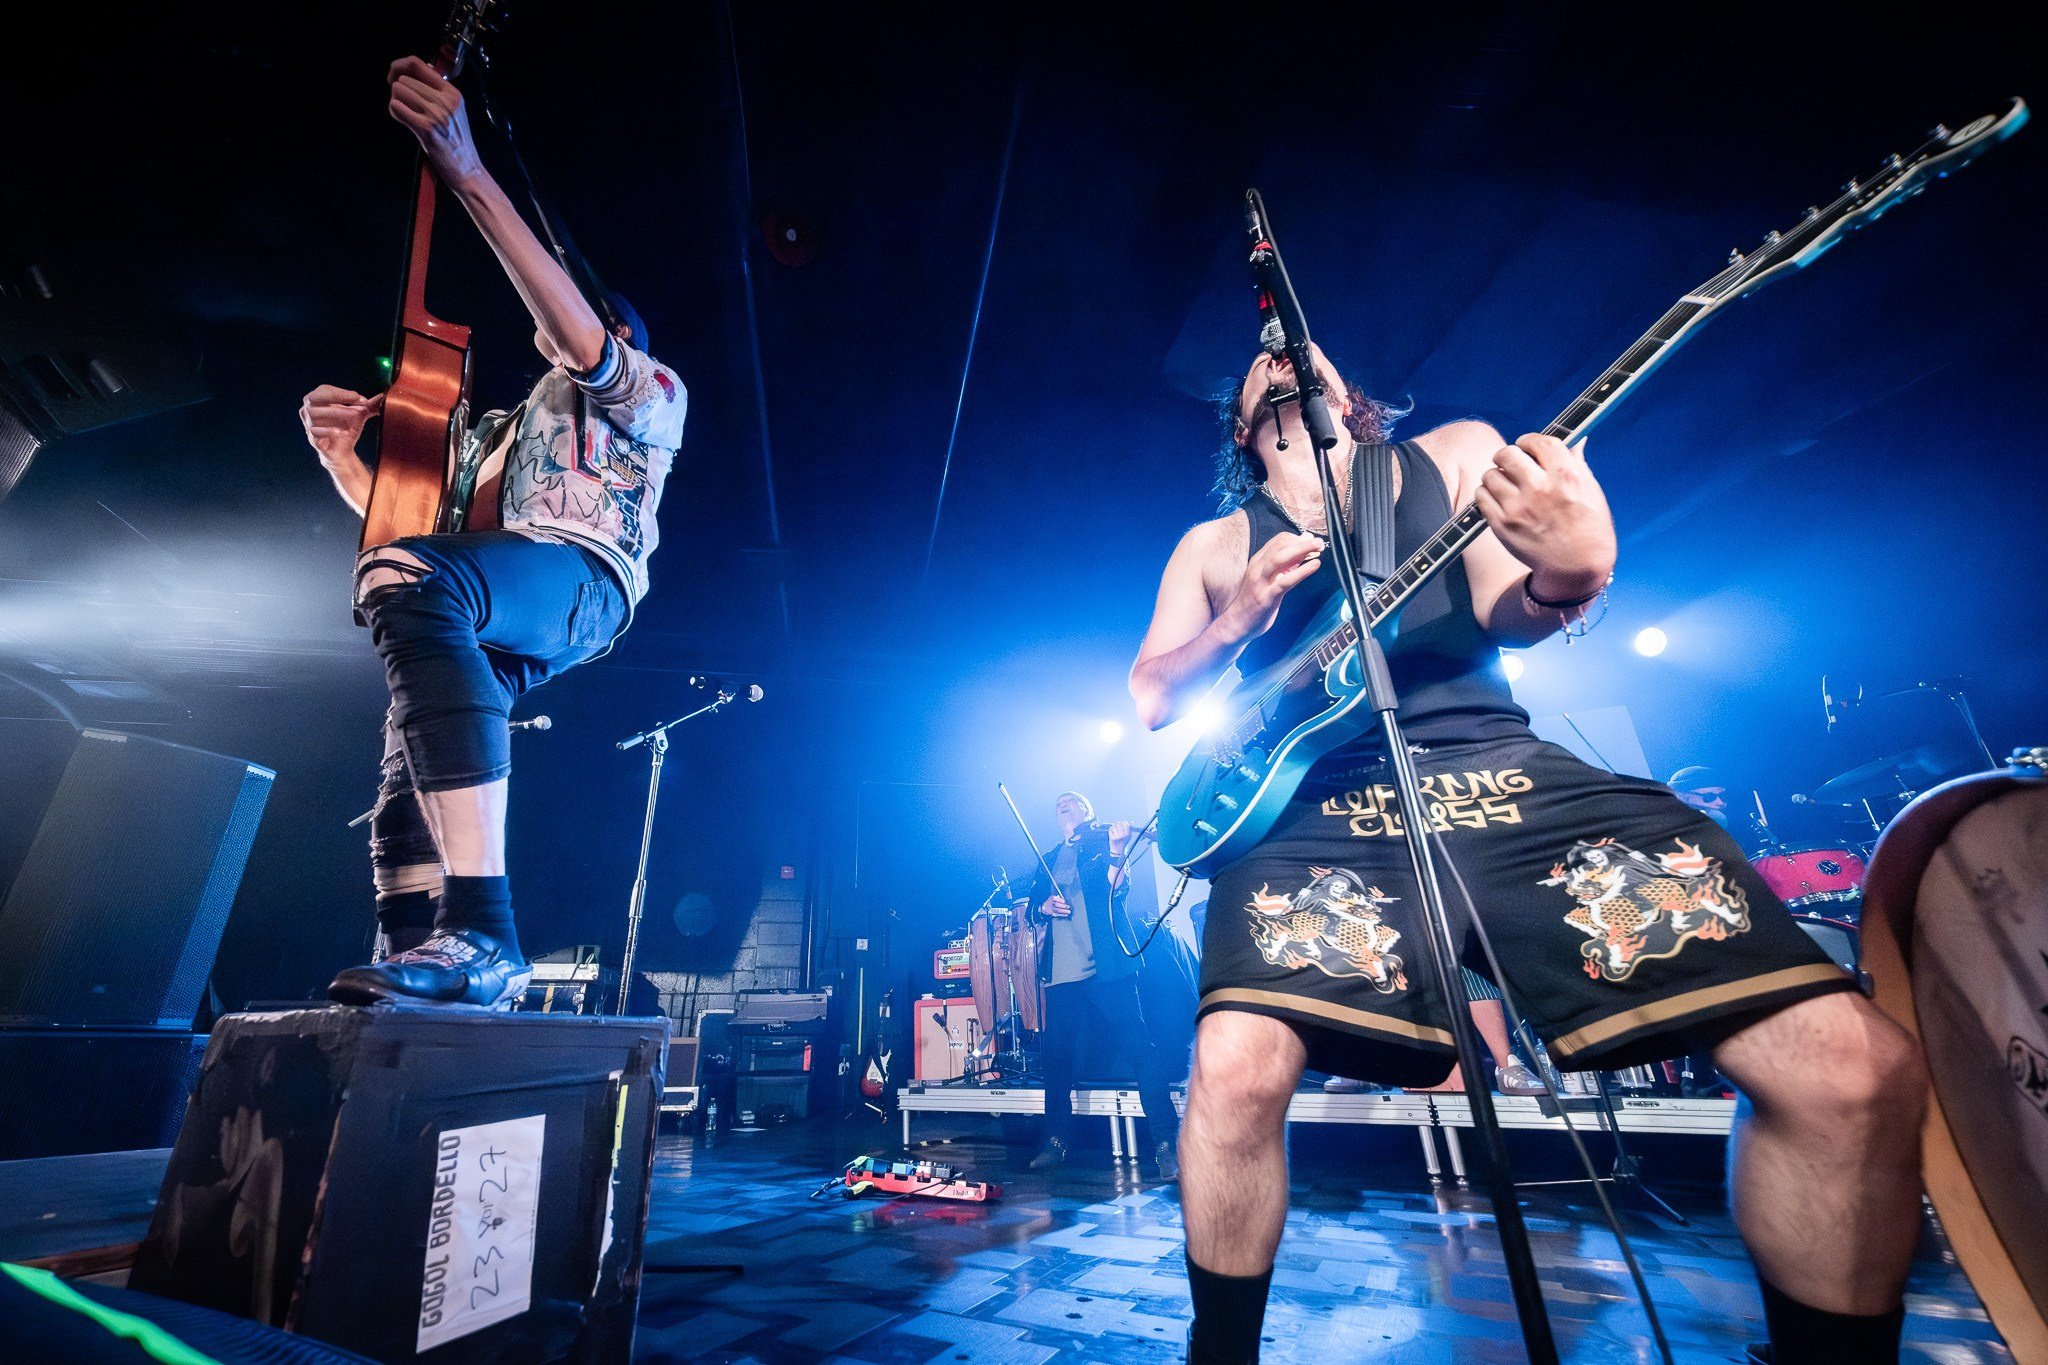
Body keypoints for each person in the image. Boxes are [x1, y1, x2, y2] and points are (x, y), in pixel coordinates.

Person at [1129, 344, 1926, 1363]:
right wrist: (1235, 620)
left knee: (1851, 1070)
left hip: (1498, 769)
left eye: (1299, 343)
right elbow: (1151, 694)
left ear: (1347, 395)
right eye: (1258, 364)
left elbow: (1513, 610)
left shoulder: (1452, 454)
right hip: (1317, 805)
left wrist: (1570, 569)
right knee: (1233, 1068)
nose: (1279, 350)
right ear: (1243, 427)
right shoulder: (1212, 543)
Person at [298, 56, 685, 1008]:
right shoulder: (496, 433)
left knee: (408, 579)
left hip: (583, 581)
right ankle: (414, 960)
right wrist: (342, 460)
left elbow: (586, 339)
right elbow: (413, 541)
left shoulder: (651, 395)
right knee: (405, 760)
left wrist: (468, 171)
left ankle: (484, 928)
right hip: (502, 597)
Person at [1014, 791, 1183, 1178]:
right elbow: (1034, 907)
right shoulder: (1049, 857)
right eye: (1059, 801)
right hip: (1061, 972)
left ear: (1088, 811)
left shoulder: (1100, 845)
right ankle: (1056, 1143)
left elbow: (1115, 890)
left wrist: (1117, 850)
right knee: (1056, 1060)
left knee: (1140, 1048)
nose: (1063, 803)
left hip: (1108, 965)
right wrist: (1043, 907)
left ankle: (1165, 1143)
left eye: (1072, 800)